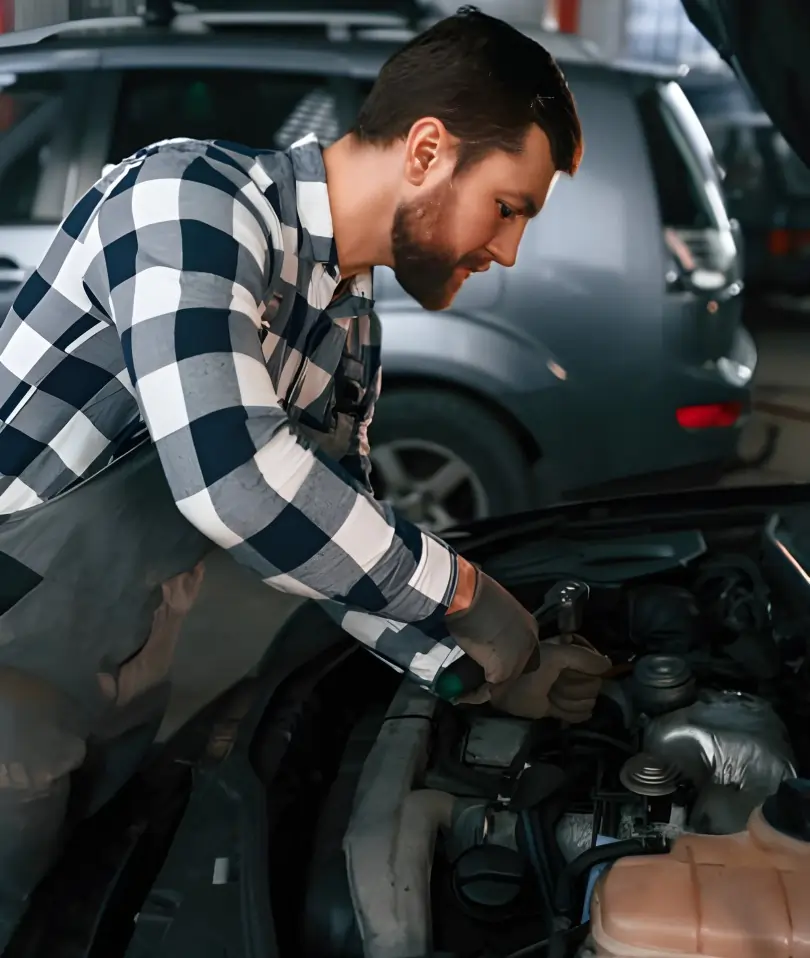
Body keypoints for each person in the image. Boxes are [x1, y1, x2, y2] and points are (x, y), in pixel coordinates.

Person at [0, 4, 609, 937]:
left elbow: (336, 540)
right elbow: (236, 480)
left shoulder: (348, 327)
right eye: (508, 206)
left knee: (81, 908)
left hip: (127, 647)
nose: (508, 250)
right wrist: (467, 592)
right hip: (12, 639)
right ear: (427, 151)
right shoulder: (187, 202)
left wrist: (480, 669)